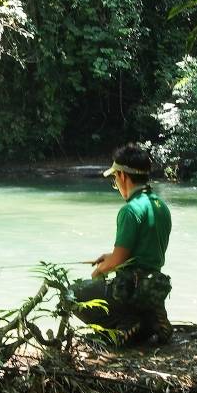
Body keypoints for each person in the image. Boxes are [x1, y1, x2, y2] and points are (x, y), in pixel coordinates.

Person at [68, 143, 173, 346]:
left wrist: (99, 273)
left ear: (122, 176)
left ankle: (123, 325)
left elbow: (117, 261)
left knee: (70, 293)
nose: (116, 184)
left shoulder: (130, 210)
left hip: (131, 288)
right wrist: (110, 257)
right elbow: (141, 254)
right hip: (152, 286)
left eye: (115, 178)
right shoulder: (160, 206)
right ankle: (148, 320)